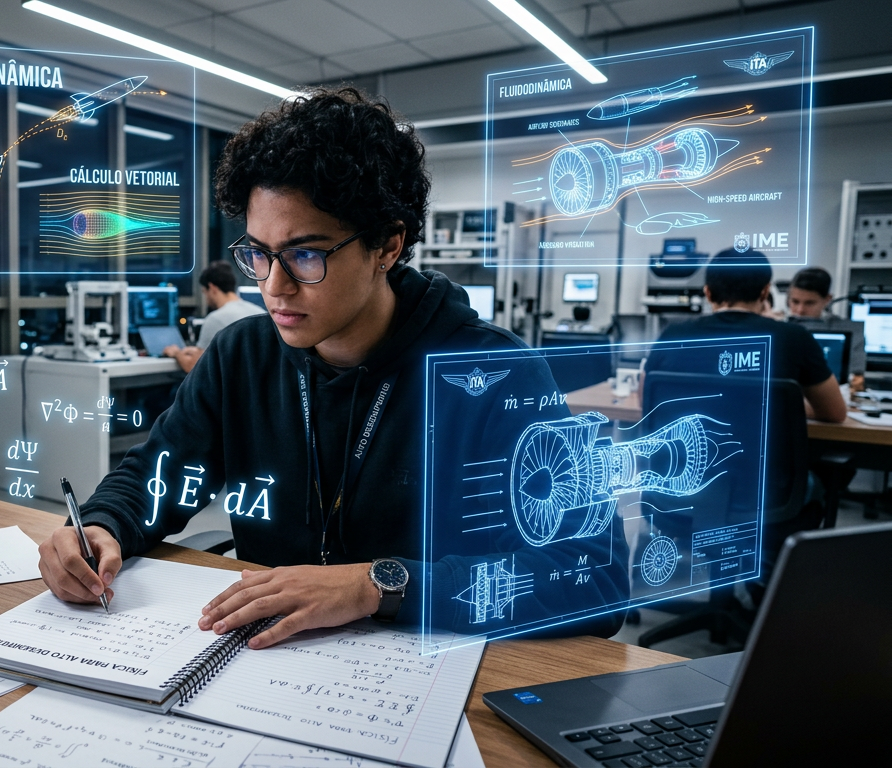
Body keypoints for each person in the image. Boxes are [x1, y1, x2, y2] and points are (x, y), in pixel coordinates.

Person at [35, 87, 627, 649]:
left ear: (388, 246)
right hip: (263, 665)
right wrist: (102, 525)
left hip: (428, 678)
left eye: (305, 254)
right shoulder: (242, 355)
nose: (274, 286)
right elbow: (154, 476)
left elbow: (595, 580)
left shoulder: (497, 373)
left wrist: (376, 585)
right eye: (258, 254)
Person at [654, 250, 846, 423]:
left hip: (690, 459)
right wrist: (780, 404)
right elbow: (834, 412)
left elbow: (646, 398)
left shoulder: (672, 335)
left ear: (708, 293)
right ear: (764, 292)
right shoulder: (795, 338)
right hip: (769, 462)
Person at [162, 261, 266, 373]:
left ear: (212, 288)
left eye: (204, 292)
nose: (206, 298)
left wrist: (176, 353)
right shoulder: (258, 312)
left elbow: (194, 368)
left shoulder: (215, 319)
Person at [785, 266, 865, 391]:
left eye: (809, 303)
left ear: (827, 299)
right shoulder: (778, 326)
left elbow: (856, 379)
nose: (800, 310)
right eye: (795, 301)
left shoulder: (849, 331)